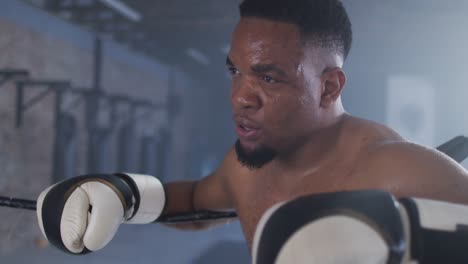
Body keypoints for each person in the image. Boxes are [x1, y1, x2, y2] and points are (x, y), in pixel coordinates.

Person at [36, 0, 468, 257]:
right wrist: (123, 194)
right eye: (235, 72)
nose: (240, 96)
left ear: (329, 86)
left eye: (268, 77)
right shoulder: (247, 168)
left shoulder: (403, 172)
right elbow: (195, 201)